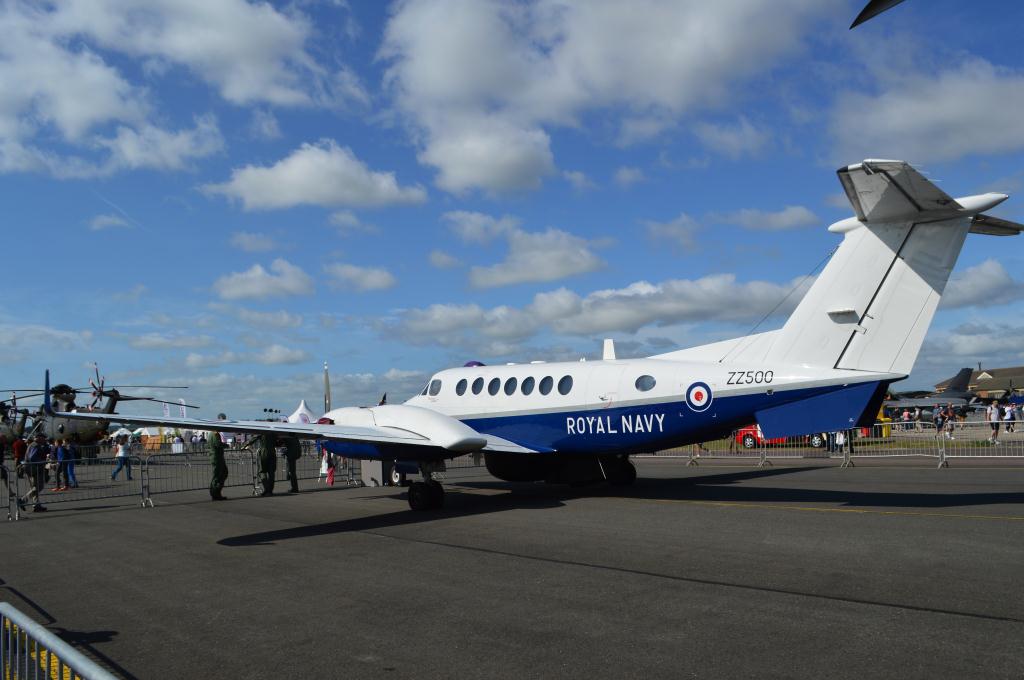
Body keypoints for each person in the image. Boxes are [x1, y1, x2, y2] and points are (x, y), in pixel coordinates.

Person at [18, 433, 49, 512]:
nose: (44, 439)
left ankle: (36, 505)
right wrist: (42, 461)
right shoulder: (35, 445)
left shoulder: (33, 444)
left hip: (31, 468)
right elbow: (32, 458)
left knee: (34, 487)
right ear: (38, 438)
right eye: (43, 438)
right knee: (39, 487)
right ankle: (23, 500)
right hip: (35, 469)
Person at [208, 426, 228, 501]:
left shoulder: (211, 434)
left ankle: (216, 493)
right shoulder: (215, 434)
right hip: (217, 457)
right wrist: (226, 445)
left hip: (216, 456)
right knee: (218, 475)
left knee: (221, 474)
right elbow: (217, 444)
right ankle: (215, 493)